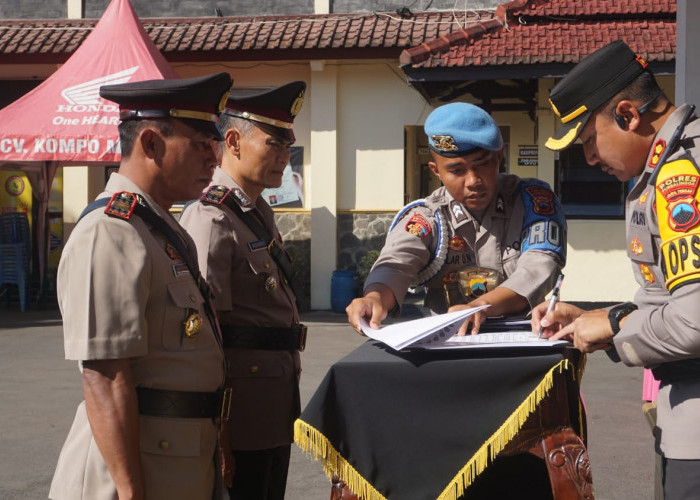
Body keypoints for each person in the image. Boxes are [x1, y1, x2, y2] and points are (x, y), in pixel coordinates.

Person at [49, 72, 233, 500]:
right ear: (151, 144)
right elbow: (104, 376)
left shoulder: (158, 227)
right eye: (202, 144)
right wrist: (130, 491)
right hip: (135, 476)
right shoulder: (110, 232)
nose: (215, 158)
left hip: (179, 462)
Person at [532, 40, 700, 500]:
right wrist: (595, 316)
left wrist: (608, 325)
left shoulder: (681, 177)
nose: (588, 159)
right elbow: (675, 299)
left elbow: (694, 320)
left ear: (627, 115)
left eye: (589, 141)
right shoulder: (668, 165)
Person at [179, 81, 307, 500]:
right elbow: (203, 337)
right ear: (232, 141)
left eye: (288, 148)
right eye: (274, 144)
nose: (284, 158)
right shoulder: (211, 218)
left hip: (270, 405)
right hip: (238, 417)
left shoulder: (256, 211)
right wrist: (217, 434)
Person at [346, 102, 567, 335]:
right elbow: (397, 262)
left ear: (499, 157)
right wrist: (374, 297)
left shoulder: (533, 202)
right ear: (436, 171)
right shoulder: (429, 216)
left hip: (524, 341)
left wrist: (479, 307)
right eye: (457, 170)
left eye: (482, 165)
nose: (473, 181)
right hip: (449, 343)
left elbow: (540, 267)